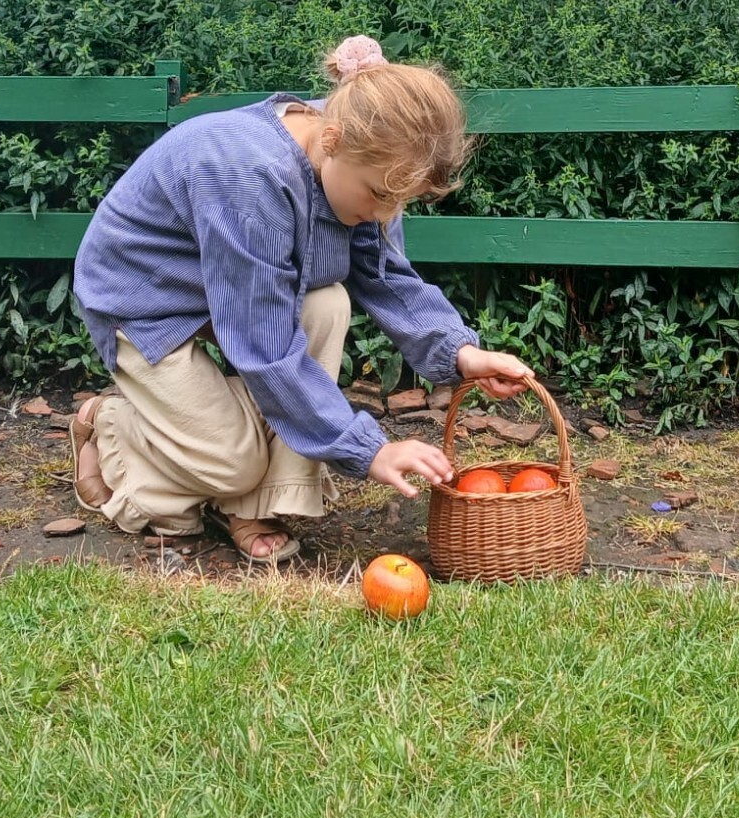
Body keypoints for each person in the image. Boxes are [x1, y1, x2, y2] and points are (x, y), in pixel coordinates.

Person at [68, 36, 533, 562]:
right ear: (331, 139)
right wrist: (370, 448)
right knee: (229, 462)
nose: (385, 215)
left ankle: (250, 503)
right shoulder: (250, 175)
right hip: (146, 300)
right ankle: (109, 424)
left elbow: (383, 276)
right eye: (379, 196)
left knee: (328, 302)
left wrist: (460, 354)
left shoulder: (369, 155)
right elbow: (263, 345)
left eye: (397, 202)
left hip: (239, 293)